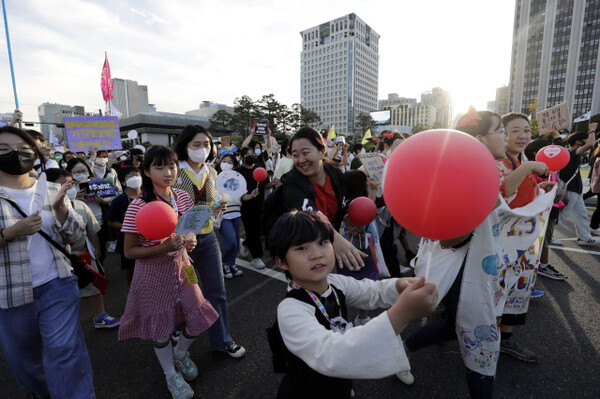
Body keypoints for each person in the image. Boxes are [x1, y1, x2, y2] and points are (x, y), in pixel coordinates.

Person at [267, 210, 437, 398]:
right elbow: (331, 353)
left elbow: (372, 291)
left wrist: (399, 285)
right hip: (307, 390)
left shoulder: (335, 282)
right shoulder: (290, 309)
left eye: (323, 243)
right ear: (281, 261)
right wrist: (402, 313)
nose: (316, 254)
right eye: (302, 248)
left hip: (339, 382)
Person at [0, 126, 93, 398]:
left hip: (57, 285)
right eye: (4, 149)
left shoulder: (53, 188)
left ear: (36, 152)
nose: (15, 154)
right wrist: (11, 233)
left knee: (65, 353)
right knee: (25, 362)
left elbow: (75, 235)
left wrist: (62, 209)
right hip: (10, 293)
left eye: (23, 148)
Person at [119, 145, 218, 399]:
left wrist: (191, 238)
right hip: (152, 272)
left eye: (172, 166)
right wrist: (161, 248)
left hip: (183, 265)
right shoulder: (137, 206)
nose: (168, 172)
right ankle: (170, 375)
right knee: (161, 327)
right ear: (146, 172)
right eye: (159, 167)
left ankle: (179, 354)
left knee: (198, 314)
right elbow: (129, 252)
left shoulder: (182, 197)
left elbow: (188, 228)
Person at [172, 125, 246, 358]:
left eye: (206, 144)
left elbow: (212, 210)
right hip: (182, 243)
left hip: (207, 238)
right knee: (184, 292)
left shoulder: (212, 173)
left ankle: (222, 340)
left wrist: (217, 209)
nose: (202, 149)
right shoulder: (175, 172)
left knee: (217, 291)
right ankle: (177, 332)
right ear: (185, 146)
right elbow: (169, 207)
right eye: (196, 145)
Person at [280, 127, 367, 271]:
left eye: (305, 153)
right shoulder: (291, 183)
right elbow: (309, 213)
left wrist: (347, 217)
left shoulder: (335, 174)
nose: (301, 160)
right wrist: (335, 237)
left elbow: (341, 199)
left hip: (327, 245)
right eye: (295, 155)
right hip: (304, 249)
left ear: (322, 152)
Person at [45, 168, 121, 328]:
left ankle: (100, 316)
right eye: (62, 185)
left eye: (70, 184)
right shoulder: (41, 210)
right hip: (54, 259)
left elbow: (92, 230)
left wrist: (97, 249)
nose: (68, 189)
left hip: (82, 255)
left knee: (93, 287)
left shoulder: (80, 205)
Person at [524, 139, 568, 281]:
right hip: (542, 208)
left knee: (545, 238)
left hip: (553, 206)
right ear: (536, 153)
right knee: (542, 239)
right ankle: (543, 266)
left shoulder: (550, 169)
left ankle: (539, 265)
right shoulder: (534, 170)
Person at [557, 124, 600, 245]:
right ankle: (548, 235)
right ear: (577, 141)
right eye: (585, 139)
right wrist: (592, 129)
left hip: (577, 190)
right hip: (569, 189)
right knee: (563, 214)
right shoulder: (570, 153)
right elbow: (590, 145)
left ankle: (584, 237)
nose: (588, 140)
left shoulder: (573, 154)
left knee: (581, 214)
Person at [237, 145, 277, 269]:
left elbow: (266, 186)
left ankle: (244, 243)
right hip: (245, 206)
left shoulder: (260, 169)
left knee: (257, 230)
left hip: (260, 205)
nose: (251, 156)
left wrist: (274, 183)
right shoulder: (239, 172)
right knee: (251, 230)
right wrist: (248, 195)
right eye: (248, 154)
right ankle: (256, 257)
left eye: (253, 154)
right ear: (243, 157)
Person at [107, 165, 142, 286]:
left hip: (148, 240)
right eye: (131, 176)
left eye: (137, 175)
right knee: (130, 270)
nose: (135, 178)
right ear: (123, 182)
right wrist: (129, 228)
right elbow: (111, 221)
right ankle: (133, 295)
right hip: (127, 240)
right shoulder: (118, 201)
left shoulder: (150, 197)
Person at [216, 154, 244, 279]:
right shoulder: (215, 178)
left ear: (234, 165)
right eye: (224, 161)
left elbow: (244, 195)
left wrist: (253, 194)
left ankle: (231, 264)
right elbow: (212, 199)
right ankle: (224, 263)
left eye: (230, 162)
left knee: (236, 243)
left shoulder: (237, 178)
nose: (227, 164)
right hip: (224, 215)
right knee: (230, 242)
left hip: (237, 214)